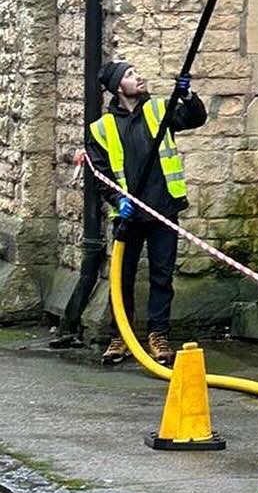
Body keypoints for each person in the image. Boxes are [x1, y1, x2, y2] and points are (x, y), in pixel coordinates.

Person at [62, 61, 207, 367]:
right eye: (129, 75)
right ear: (117, 87)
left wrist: (188, 96)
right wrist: (117, 199)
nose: (138, 77)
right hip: (128, 215)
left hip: (163, 209)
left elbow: (195, 118)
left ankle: (158, 335)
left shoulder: (158, 111)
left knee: (161, 275)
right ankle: (121, 336)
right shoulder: (100, 129)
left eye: (137, 72)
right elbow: (100, 175)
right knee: (122, 278)